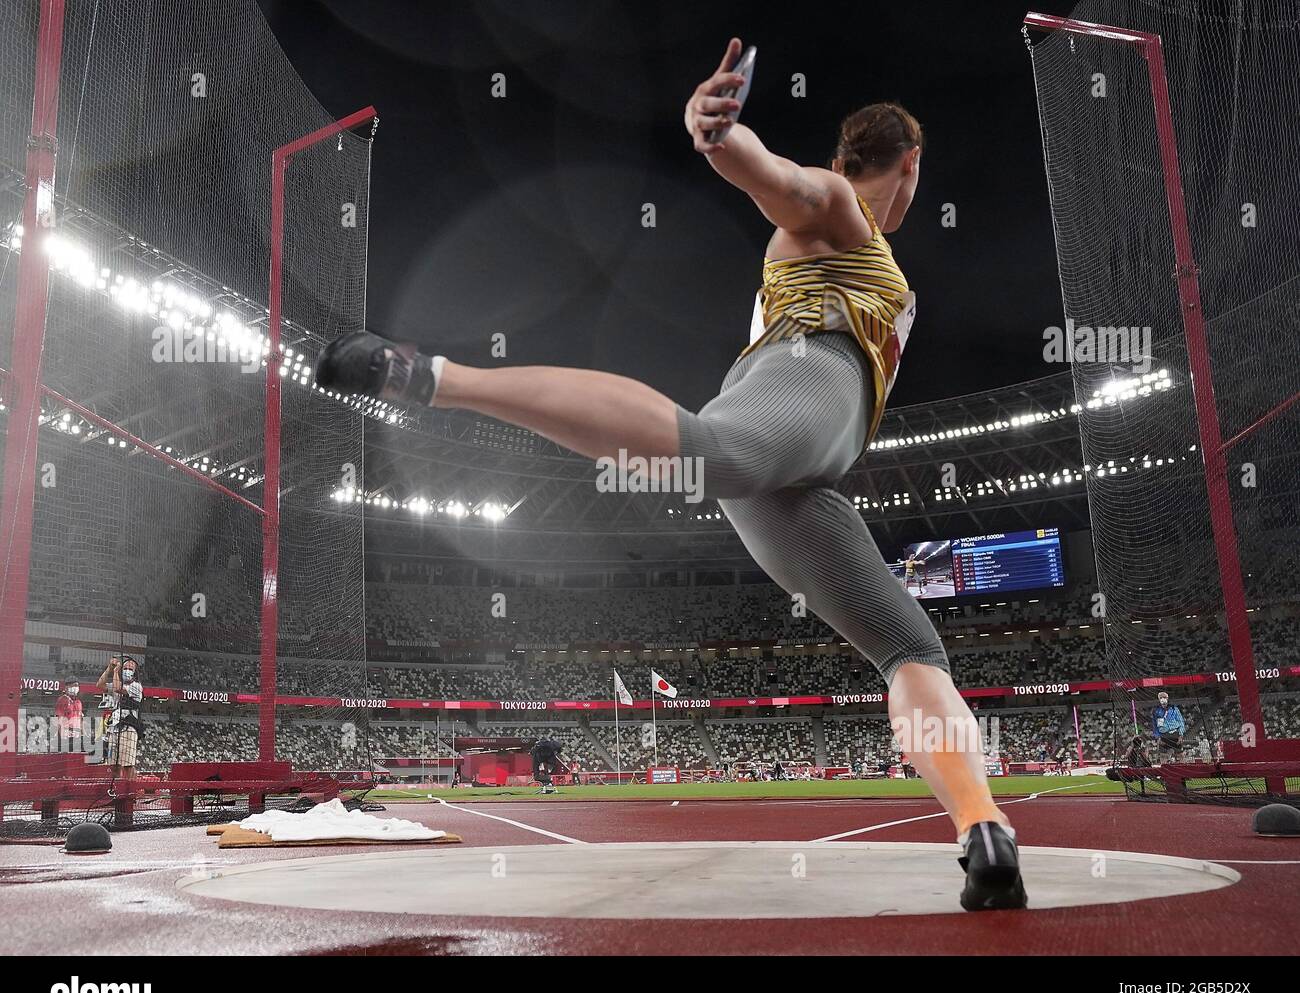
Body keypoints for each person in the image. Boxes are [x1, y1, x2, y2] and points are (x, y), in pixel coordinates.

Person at [314, 38, 1023, 910]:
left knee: (911, 647)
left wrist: (730, 145)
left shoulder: (852, 230)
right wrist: (720, 137)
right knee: (706, 456)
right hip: (806, 383)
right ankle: (432, 377)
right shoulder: (843, 208)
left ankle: (983, 829)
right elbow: (785, 185)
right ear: (910, 163)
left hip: (814, 469)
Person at [98, 655, 145, 785]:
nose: (127, 670)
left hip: (129, 727)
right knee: (114, 763)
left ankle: (130, 790)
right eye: (125, 667)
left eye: (130, 668)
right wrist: (109, 668)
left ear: (135, 672)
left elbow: (118, 688)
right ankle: (115, 788)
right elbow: (100, 685)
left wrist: (115, 671)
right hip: (114, 727)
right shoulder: (117, 681)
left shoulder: (136, 686)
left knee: (128, 764)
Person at [1151, 691, 1186, 763]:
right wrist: (1158, 737)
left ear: (1167, 698)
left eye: (1164, 697)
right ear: (1159, 699)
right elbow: (1155, 725)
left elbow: (1181, 722)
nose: (1162, 699)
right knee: (1163, 756)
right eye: (1161, 698)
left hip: (1175, 735)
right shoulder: (1156, 711)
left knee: (1180, 756)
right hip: (1164, 736)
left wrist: (1181, 735)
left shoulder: (1174, 709)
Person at [54, 680, 83, 752]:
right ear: (66, 687)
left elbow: (80, 719)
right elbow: (59, 718)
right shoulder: (62, 700)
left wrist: (82, 734)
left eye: (77, 686)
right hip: (65, 735)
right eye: (73, 685)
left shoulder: (78, 702)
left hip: (76, 735)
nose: (76, 687)